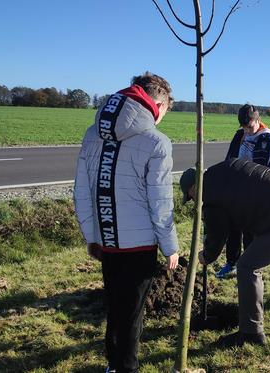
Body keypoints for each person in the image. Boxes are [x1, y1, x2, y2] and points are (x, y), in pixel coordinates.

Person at [73, 72, 179, 373]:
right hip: (139, 244)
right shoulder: (156, 142)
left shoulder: (93, 134)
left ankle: (112, 364)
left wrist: (92, 236)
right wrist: (170, 247)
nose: (161, 120)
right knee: (132, 315)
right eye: (164, 112)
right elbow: (160, 203)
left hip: (107, 240)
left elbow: (82, 190)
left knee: (115, 307)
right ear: (156, 104)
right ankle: (126, 368)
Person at [180, 158, 270, 346]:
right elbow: (241, 208)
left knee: (247, 267)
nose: (193, 201)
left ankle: (251, 333)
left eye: (190, 197)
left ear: (194, 188)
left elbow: (217, 235)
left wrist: (206, 256)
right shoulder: (225, 169)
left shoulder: (210, 195)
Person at [217, 104, 270, 280]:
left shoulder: (267, 140)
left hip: (255, 193)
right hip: (236, 190)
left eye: (249, 126)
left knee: (250, 232)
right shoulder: (239, 135)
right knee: (233, 229)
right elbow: (230, 158)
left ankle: (249, 266)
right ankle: (232, 263)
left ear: (257, 120)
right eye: (243, 127)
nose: (246, 130)